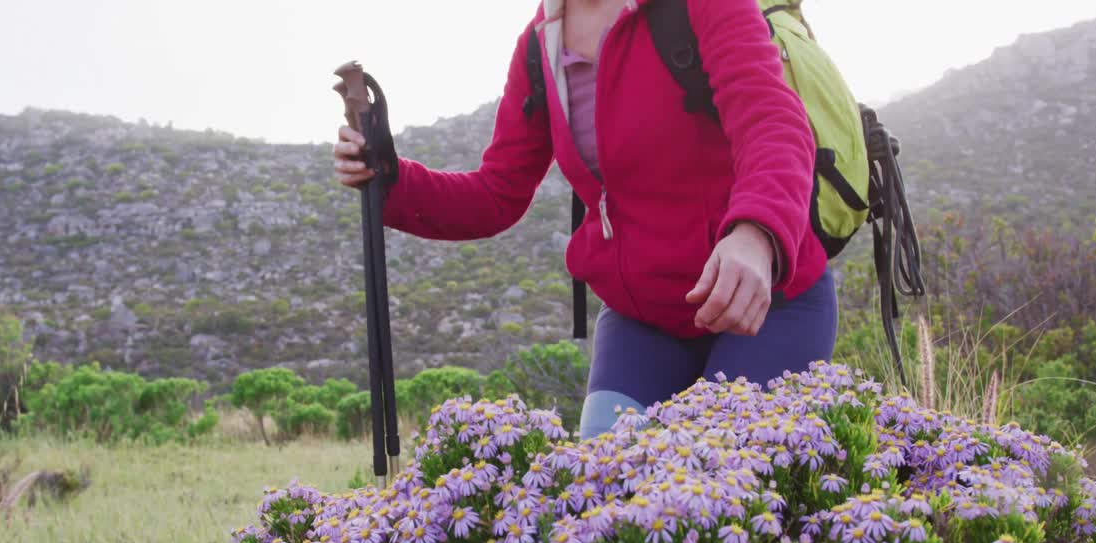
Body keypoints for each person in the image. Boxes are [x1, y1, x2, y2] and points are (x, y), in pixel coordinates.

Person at [333, 0, 838, 440]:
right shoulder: (540, 45)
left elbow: (771, 118)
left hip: (767, 302)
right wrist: (391, 183)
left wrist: (755, 234)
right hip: (645, 319)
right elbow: (496, 193)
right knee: (605, 490)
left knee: (723, 494)